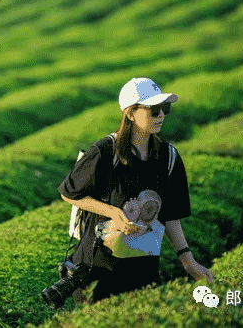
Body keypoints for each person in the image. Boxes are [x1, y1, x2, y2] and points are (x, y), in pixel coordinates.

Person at [58, 77, 214, 305]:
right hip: (100, 266)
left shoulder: (169, 157)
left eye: (164, 108)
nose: (161, 115)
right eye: (153, 110)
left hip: (143, 267)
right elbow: (69, 193)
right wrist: (112, 212)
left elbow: (170, 215)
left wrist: (187, 260)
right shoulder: (104, 153)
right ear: (130, 114)